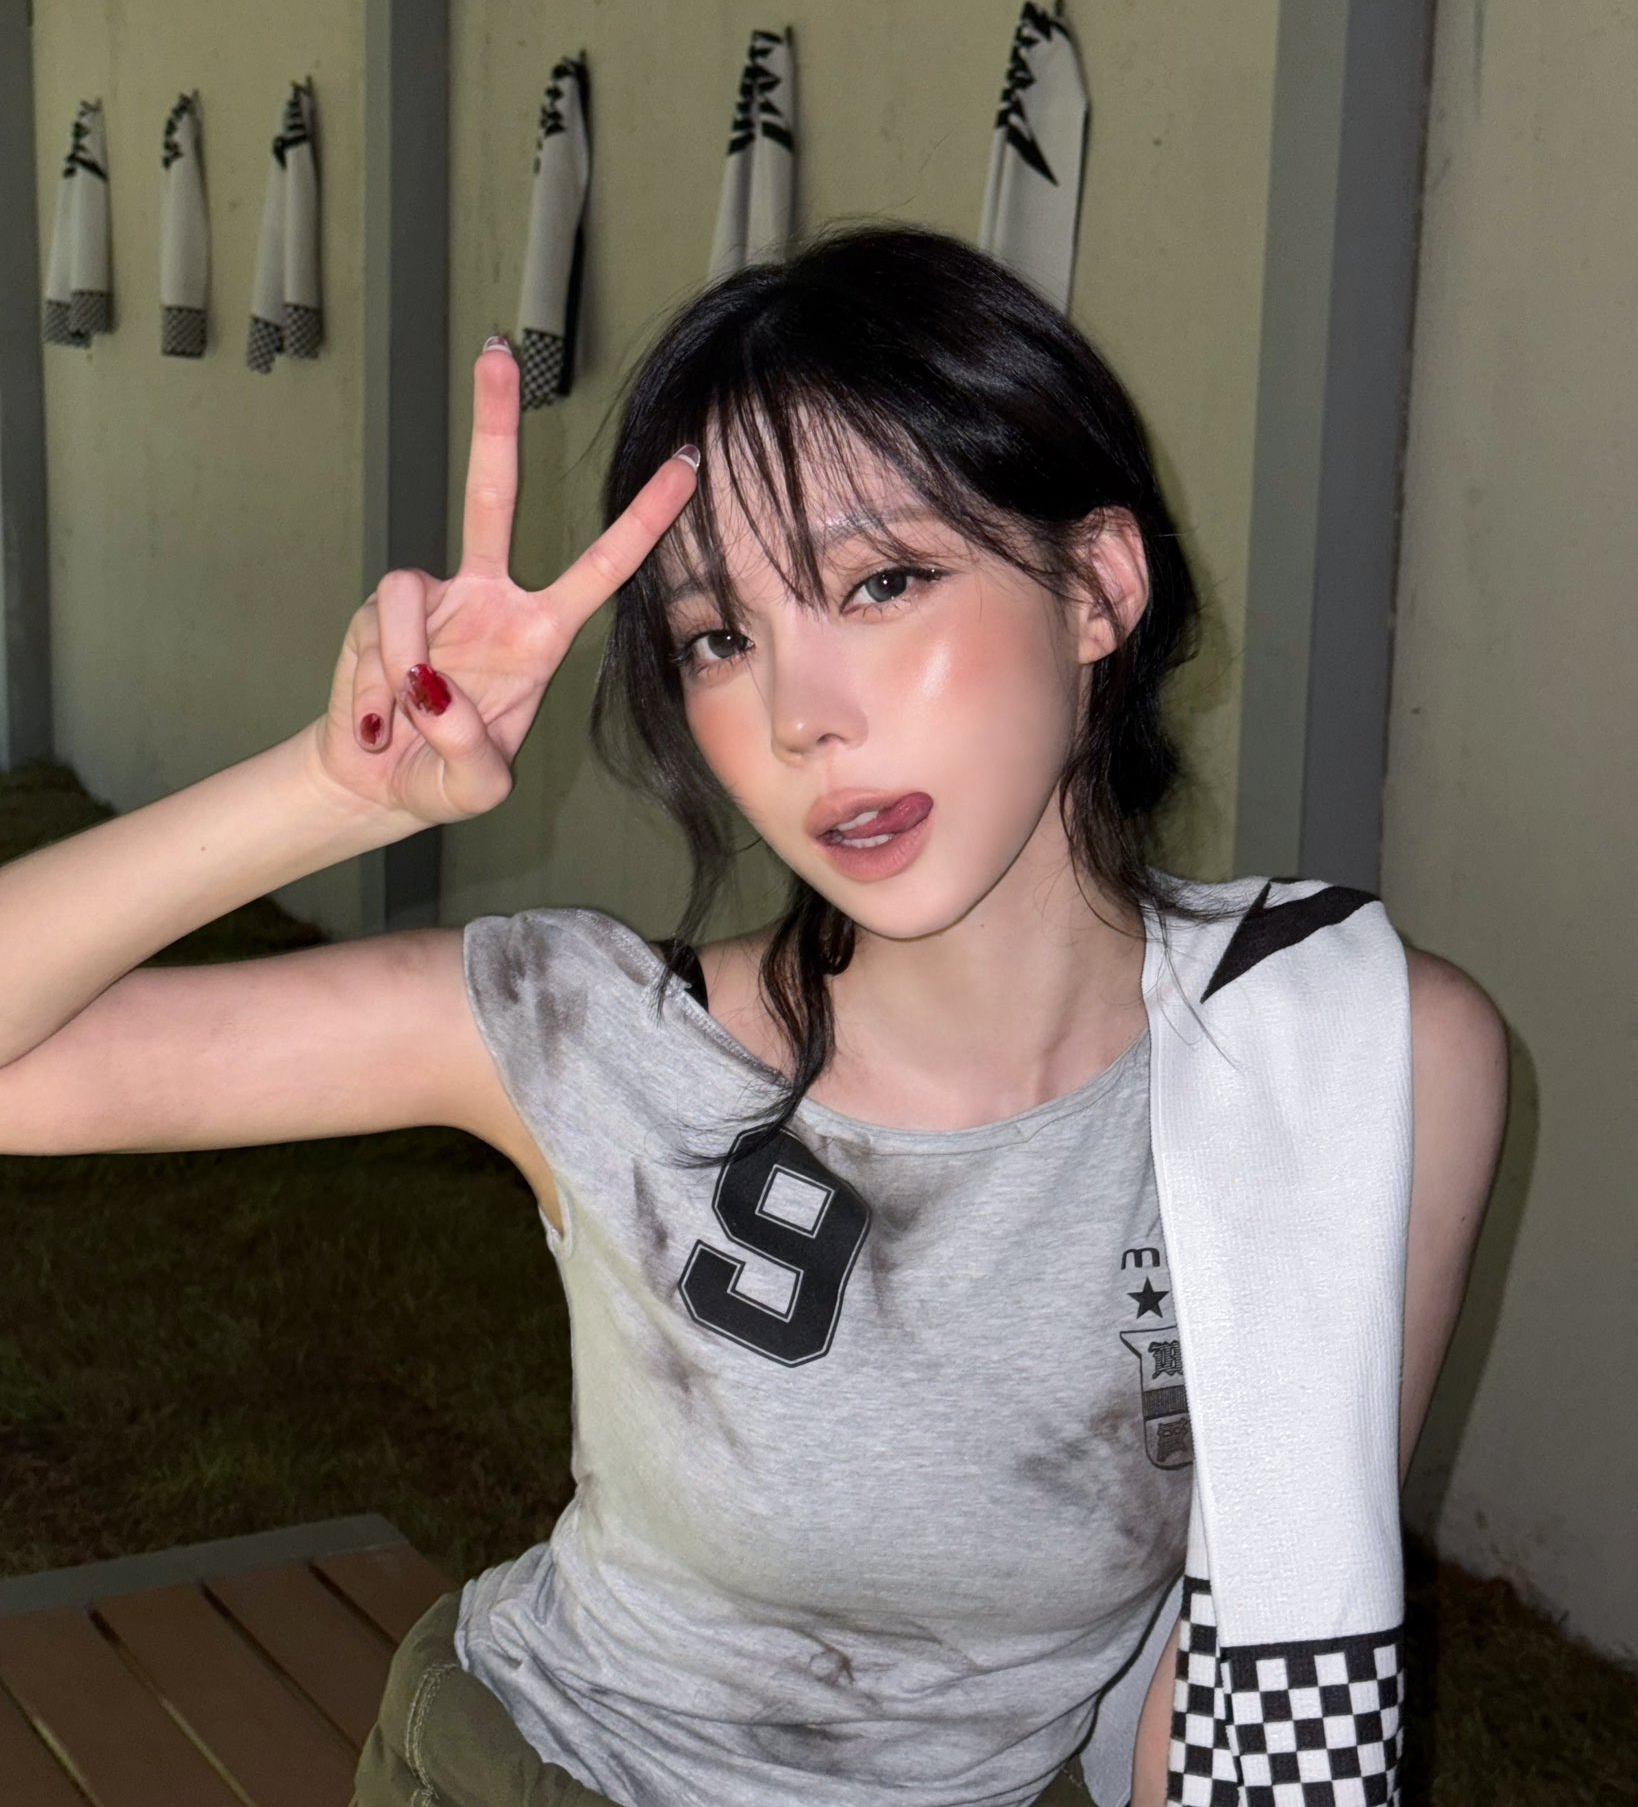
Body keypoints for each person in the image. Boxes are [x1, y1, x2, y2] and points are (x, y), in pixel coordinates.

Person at [0, 224, 1507, 1807]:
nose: (802, 718)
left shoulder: (1339, 1061)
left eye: (881, 582)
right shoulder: (602, 1042)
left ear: (1096, 585)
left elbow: (1250, 1658)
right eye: (720, 638)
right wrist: (335, 789)